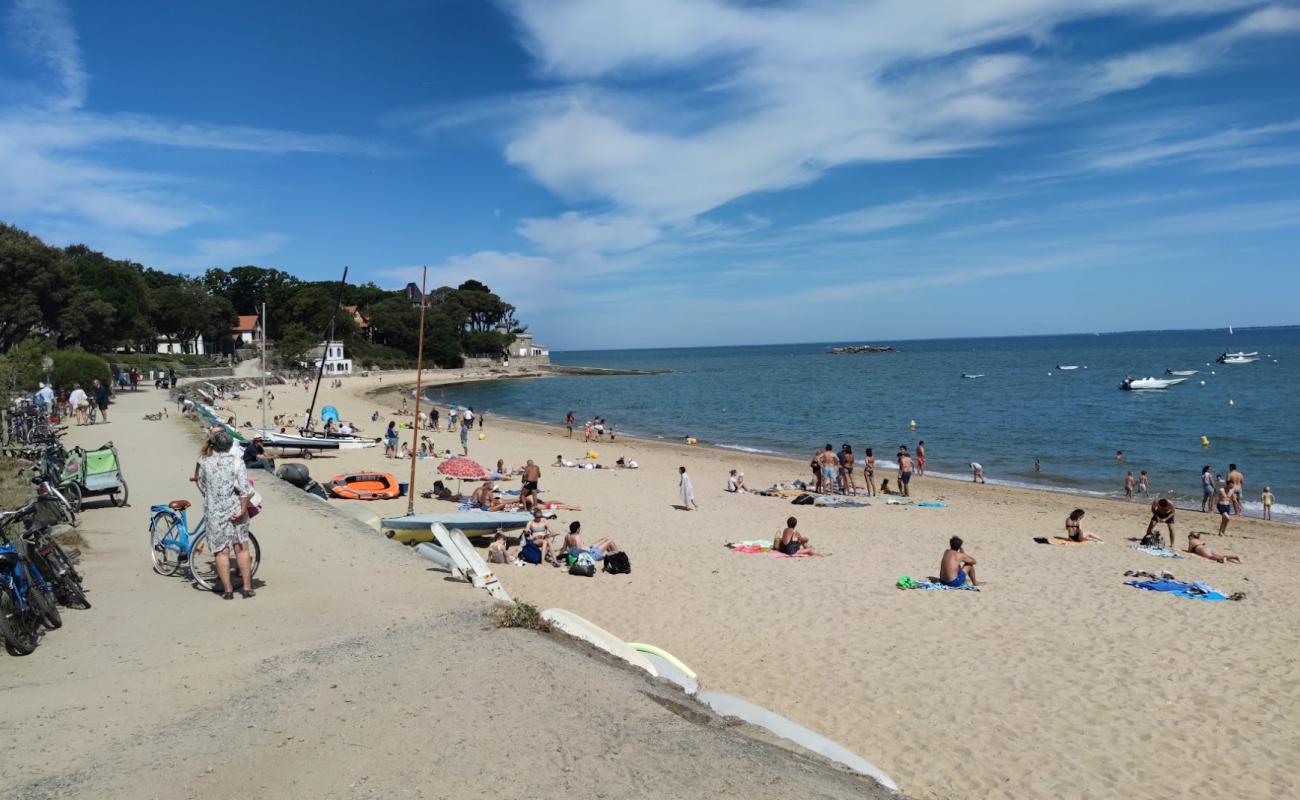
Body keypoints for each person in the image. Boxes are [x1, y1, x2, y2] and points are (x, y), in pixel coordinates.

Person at [196, 431, 255, 599]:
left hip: (214, 509)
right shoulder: (237, 462)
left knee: (221, 551)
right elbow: (244, 488)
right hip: (235, 507)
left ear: (214, 446)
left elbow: (202, 484)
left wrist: (211, 498)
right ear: (230, 446)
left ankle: (228, 590)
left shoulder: (205, 462)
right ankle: (247, 588)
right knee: (241, 548)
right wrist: (243, 509)